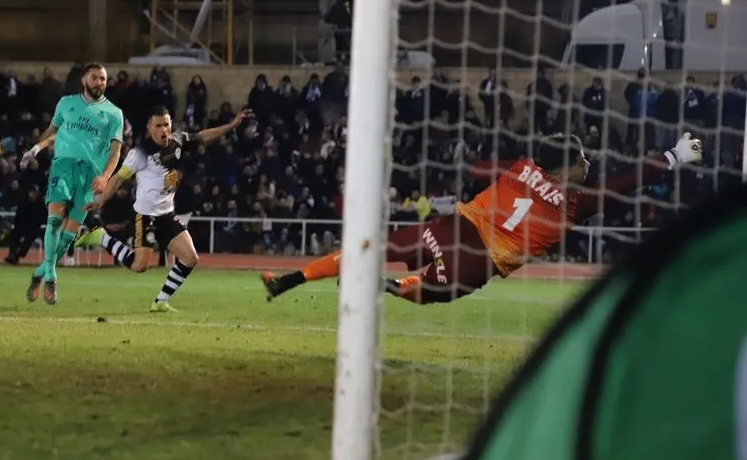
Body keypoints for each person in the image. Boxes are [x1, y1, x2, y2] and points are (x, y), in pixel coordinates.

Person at [261, 132, 703, 305]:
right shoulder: (575, 203)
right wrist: (674, 155)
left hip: (451, 227)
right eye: (582, 158)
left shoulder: (521, 166)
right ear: (568, 166)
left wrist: (500, 172)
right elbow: (626, 183)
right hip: (480, 260)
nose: (588, 163)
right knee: (430, 292)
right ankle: (389, 287)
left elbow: (478, 168)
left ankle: (290, 279)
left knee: (373, 247)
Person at [78, 105, 251, 312]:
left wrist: (231, 126)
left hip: (167, 215)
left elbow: (203, 136)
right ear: (149, 128)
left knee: (190, 258)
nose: (164, 130)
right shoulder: (140, 153)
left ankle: (160, 301)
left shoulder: (178, 141)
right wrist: (99, 201)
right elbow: (118, 179)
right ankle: (102, 237)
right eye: (158, 126)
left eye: (166, 125)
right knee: (140, 266)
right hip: (146, 216)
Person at [19, 62, 124, 305]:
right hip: (63, 166)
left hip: (90, 175)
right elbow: (52, 131)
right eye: (95, 77)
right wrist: (35, 148)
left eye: (103, 78)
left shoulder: (114, 113)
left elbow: (116, 151)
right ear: (84, 80)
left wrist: (105, 176)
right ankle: (51, 278)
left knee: (68, 236)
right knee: (54, 219)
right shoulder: (66, 103)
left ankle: (40, 272)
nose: (100, 82)